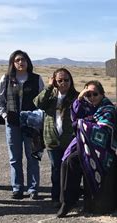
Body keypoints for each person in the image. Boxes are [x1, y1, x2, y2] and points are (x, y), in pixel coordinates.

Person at [57, 80, 117, 218]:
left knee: (72, 160)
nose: (91, 97)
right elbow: (75, 116)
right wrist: (79, 99)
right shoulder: (88, 106)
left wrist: (84, 123)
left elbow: (103, 129)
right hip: (85, 144)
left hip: (101, 148)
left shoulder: (107, 108)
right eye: (88, 95)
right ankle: (66, 199)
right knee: (65, 162)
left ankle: (69, 200)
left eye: (95, 94)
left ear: (102, 94)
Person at [0, 50, 44, 200]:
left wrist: (38, 116)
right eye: (17, 60)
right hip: (12, 124)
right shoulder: (7, 78)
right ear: (12, 63)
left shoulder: (36, 79)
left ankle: (33, 189)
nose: (21, 62)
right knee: (15, 158)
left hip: (31, 125)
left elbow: (43, 101)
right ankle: (17, 188)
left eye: (23, 59)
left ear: (28, 62)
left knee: (33, 157)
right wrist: (5, 115)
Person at [34, 68, 78, 207]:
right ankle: (56, 198)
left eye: (66, 80)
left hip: (69, 139)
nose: (63, 83)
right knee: (56, 170)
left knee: (71, 170)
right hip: (52, 139)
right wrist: (49, 87)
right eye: (59, 80)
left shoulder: (76, 97)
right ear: (54, 81)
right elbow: (37, 103)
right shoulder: (50, 96)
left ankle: (70, 197)